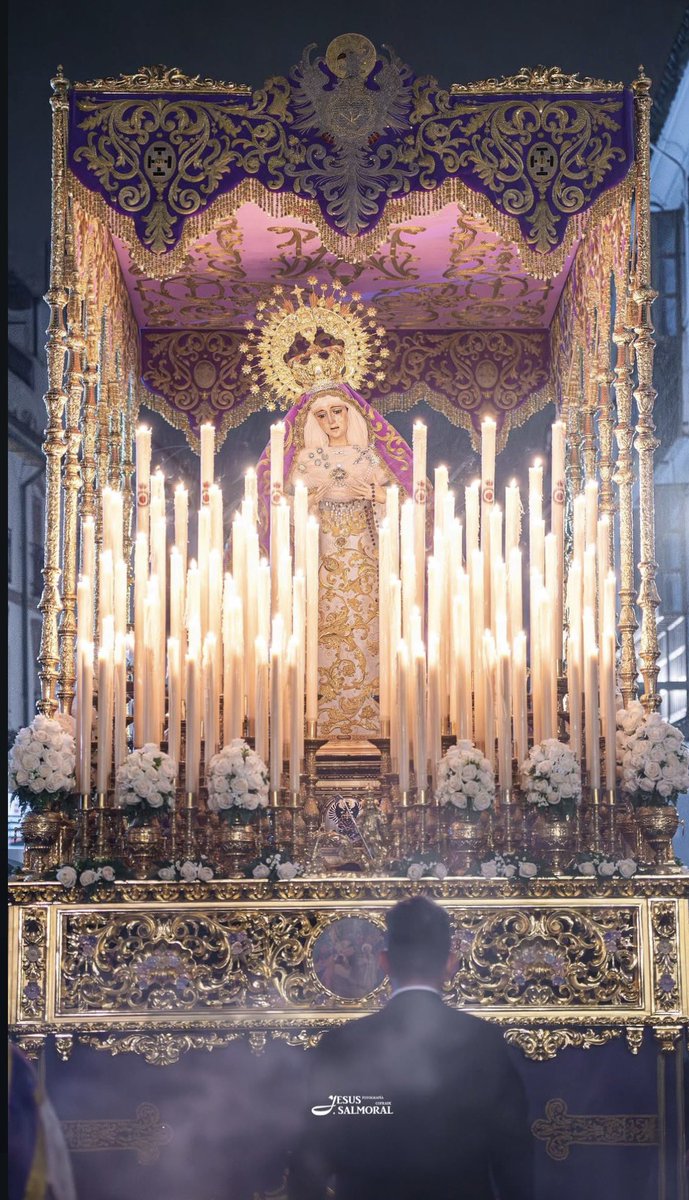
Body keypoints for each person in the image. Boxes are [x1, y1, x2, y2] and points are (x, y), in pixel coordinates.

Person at [288, 896, 533, 1200]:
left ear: (384, 962)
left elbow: (311, 1157)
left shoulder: (342, 1043)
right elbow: (514, 1153)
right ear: (449, 963)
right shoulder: (483, 1040)